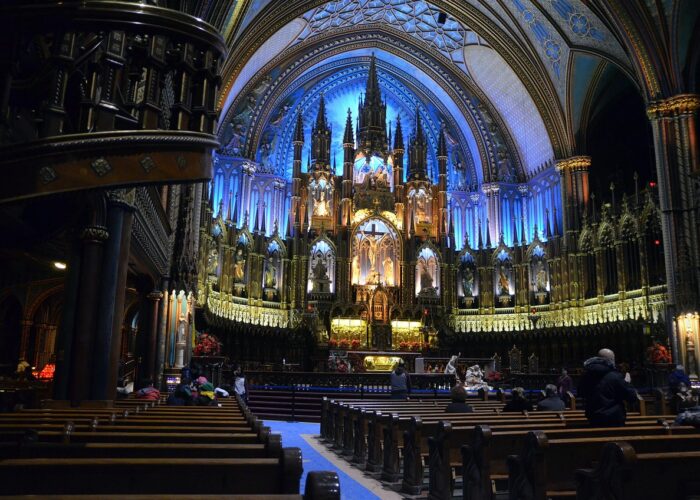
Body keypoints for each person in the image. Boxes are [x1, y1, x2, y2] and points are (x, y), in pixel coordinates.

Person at [577, 348, 638, 426]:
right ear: (611, 360)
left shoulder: (587, 376)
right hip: (614, 418)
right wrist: (627, 383)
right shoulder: (615, 377)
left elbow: (580, 393)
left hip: (593, 417)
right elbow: (632, 397)